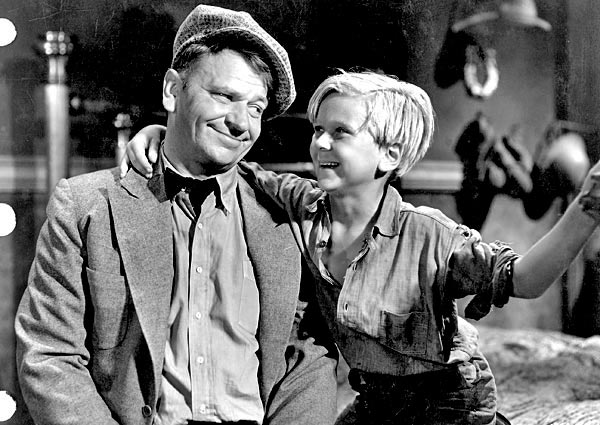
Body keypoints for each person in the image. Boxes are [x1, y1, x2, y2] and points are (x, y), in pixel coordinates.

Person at [126, 70, 600, 424]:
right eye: (318, 129)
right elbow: (240, 170)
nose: (321, 144)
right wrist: (166, 136)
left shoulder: (428, 235)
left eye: (341, 133)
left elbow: (524, 280)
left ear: (390, 155)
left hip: (451, 406)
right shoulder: (303, 206)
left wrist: (585, 209)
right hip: (375, 401)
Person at [15, 5, 344, 425]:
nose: (240, 123)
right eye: (224, 96)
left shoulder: (284, 217)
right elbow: (50, 355)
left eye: (256, 108)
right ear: (172, 90)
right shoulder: (85, 206)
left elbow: (307, 358)